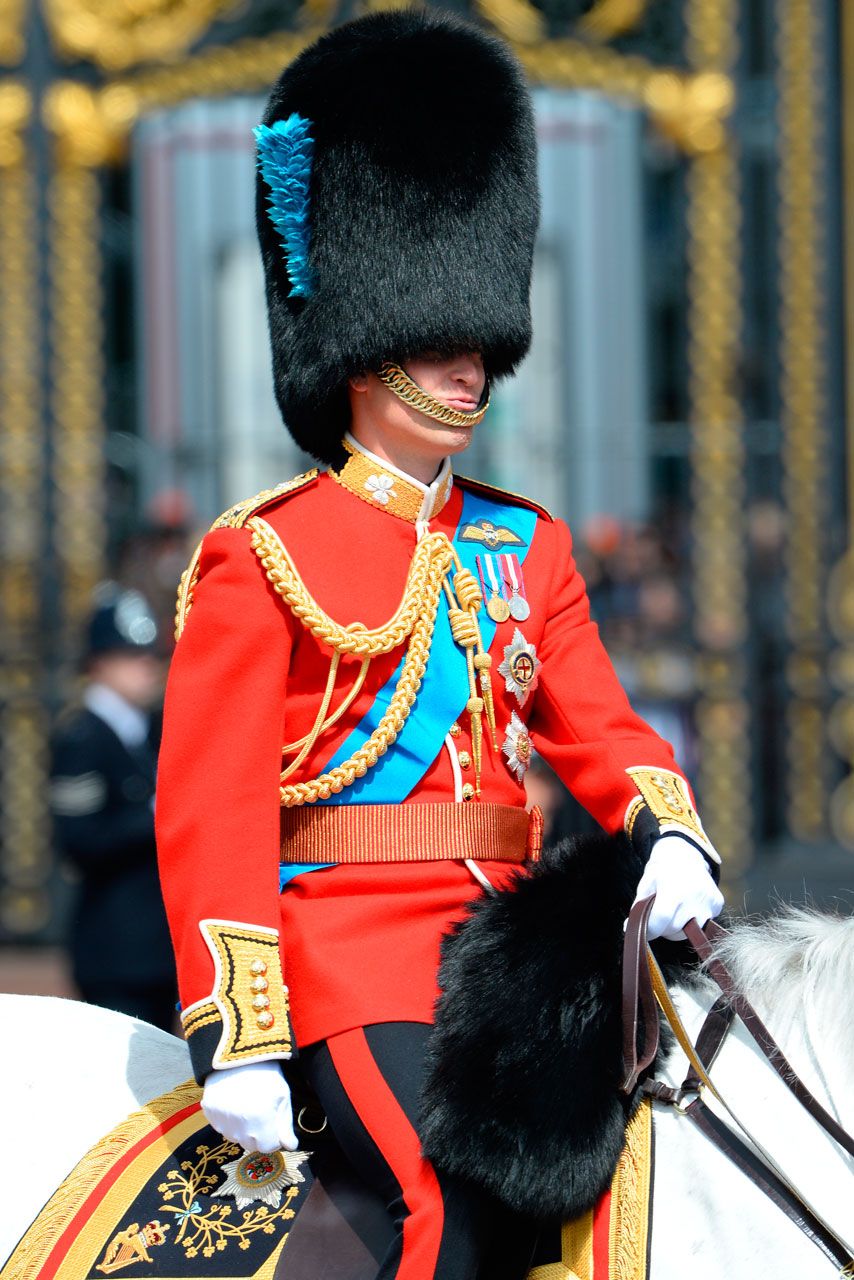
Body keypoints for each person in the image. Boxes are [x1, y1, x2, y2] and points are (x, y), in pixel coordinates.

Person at [155, 11, 723, 1278]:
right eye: (439, 341)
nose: (470, 370)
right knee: (447, 1208)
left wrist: (667, 824)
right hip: (347, 955)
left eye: (478, 344)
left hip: (509, 952)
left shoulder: (530, 546)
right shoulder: (263, 553)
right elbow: (211, 809)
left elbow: (598, 724)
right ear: (363, 348)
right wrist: (235, 1029)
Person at [50, 583, 176, 1029]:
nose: (147, 668)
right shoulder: (83, 737)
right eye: (131, 658)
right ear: (98, 664)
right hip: (116, 949)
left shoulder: (148, 728)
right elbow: (80, 840)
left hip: (156, 949)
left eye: (150, 658)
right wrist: (154, 814)